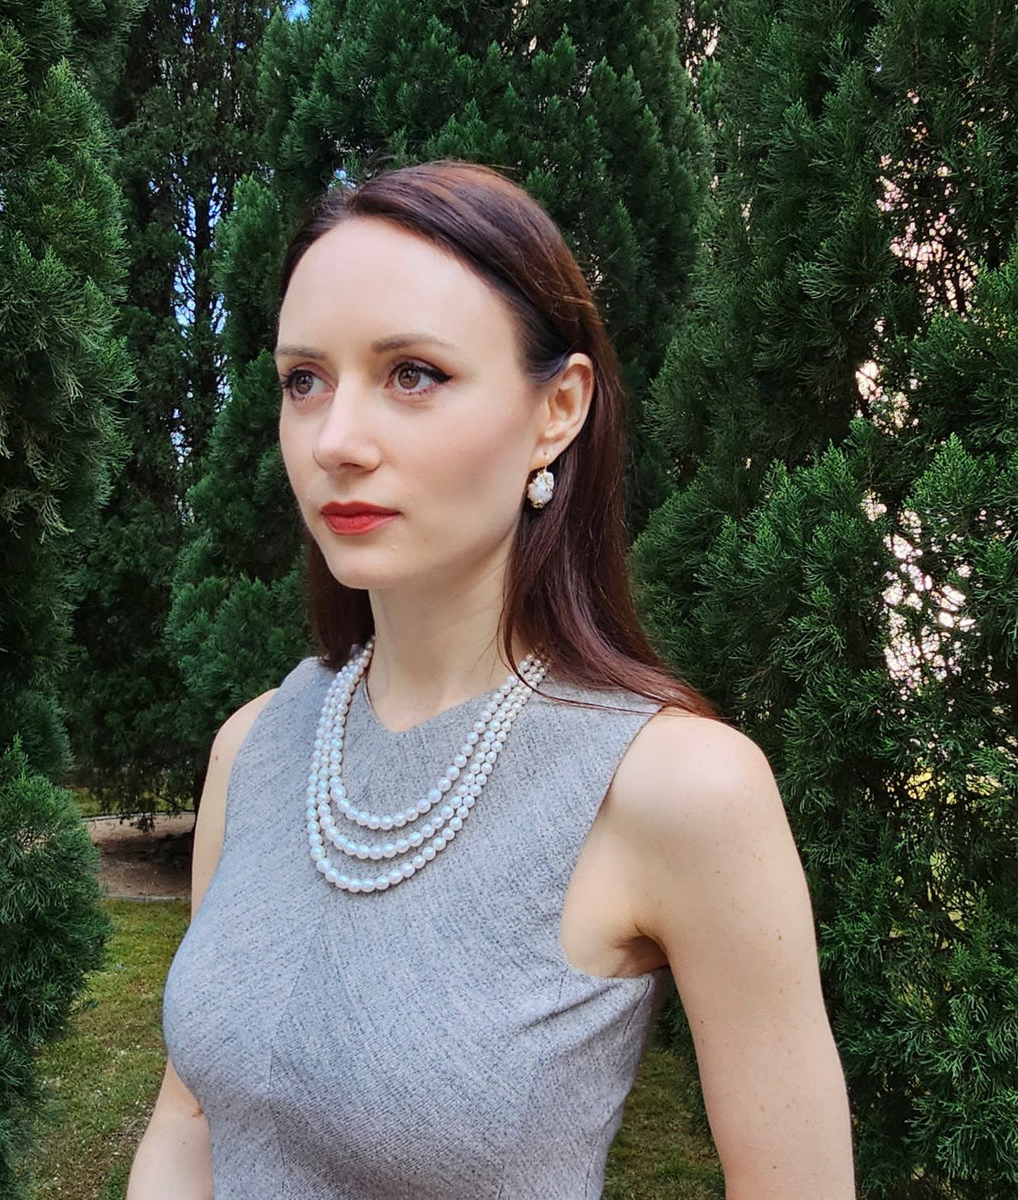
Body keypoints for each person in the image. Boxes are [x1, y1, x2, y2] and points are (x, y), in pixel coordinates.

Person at [126, 159, 856, 1199]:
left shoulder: (680, 790)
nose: (336, 440)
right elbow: (188, 1119)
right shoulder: (256, 748)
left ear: (557, 408)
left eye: (412, 374)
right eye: (304, 381)